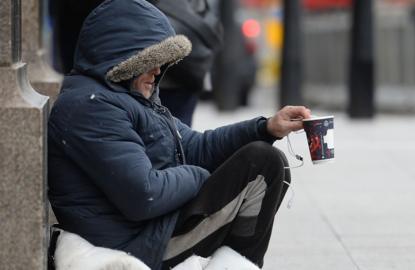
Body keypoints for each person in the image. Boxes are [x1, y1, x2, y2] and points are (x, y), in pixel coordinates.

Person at [47, 0, 311, 270]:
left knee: (269, 161)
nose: (158, 70)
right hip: (136, 245)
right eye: (150, 60)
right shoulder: (92, 107)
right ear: (124, 59)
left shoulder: (128, 99)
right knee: (262, 163)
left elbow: (198, 146)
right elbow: (144, 195)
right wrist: (201, 176)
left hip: (152, 230)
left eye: (162, 61)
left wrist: (265, 127)